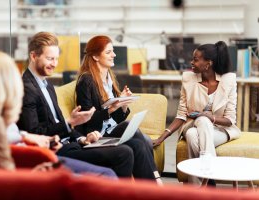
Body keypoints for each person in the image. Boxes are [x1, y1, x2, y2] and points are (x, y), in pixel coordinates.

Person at [17, 32, 139, 179]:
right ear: (33, 56)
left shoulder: (47, 84)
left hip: (71, 143)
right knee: (124, 153)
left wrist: (83, 139)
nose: (54, 64)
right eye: (50, 59)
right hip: (56, 149)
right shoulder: (26, 88)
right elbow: (35, 132)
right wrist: (70, 124)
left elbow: (59, 122)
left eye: (56, 59)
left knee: (129, 145)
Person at [152, 41, 241, 184]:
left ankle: (198, 190)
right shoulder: (188, 79)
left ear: (208, 63)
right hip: (193, 125)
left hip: (220, 130)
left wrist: (209, 117)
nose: (191, 62)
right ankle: (209, 169)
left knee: (194, 135)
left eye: (196, 59)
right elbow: (181, 114)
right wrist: (162, 137)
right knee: (199, 122)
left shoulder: (228, 80)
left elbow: (230, 119)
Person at [75, 35, 161, 182]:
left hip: (110, 131)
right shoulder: (86, 81)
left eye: (113, 51)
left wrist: (123, 105)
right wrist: (111, 109)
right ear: (95, 56)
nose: (114, 55)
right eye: (108, 52)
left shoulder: (109, 77)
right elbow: (87, 119)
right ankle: (156, 179)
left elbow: (115, 119)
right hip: (96, 135)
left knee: (140, 143)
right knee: (136, 133)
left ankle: (150, 189)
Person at [7, 123, 117, 177]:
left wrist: (81, 139)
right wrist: (25, 136)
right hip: (46, 154)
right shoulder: (28, 87)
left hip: (63, 143)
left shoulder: (49, 87)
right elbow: (34, 129)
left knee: (130, 142)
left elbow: (62, 123)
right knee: (119, 157)